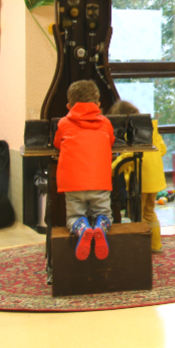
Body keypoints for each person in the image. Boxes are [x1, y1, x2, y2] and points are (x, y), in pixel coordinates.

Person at [54, 80, 115, 261]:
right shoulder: (105, 123)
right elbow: (110, 142)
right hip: (99, 182)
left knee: (74, 215)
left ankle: (83, 228)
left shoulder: (64, 123)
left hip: (72, 184)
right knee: (103, 214)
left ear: (69, 105)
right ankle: (100, 227)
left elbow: (57, 143)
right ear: (98, 104)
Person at [110, 101, 168, 253]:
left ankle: (140, 247)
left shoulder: (132, 134)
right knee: (150, 211)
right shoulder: (152, 130)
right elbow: (163, 150)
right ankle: (156, 245)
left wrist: (112, 169)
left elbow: (128, 156)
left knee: (137, 213)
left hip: (141, 181)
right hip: (156, 180)